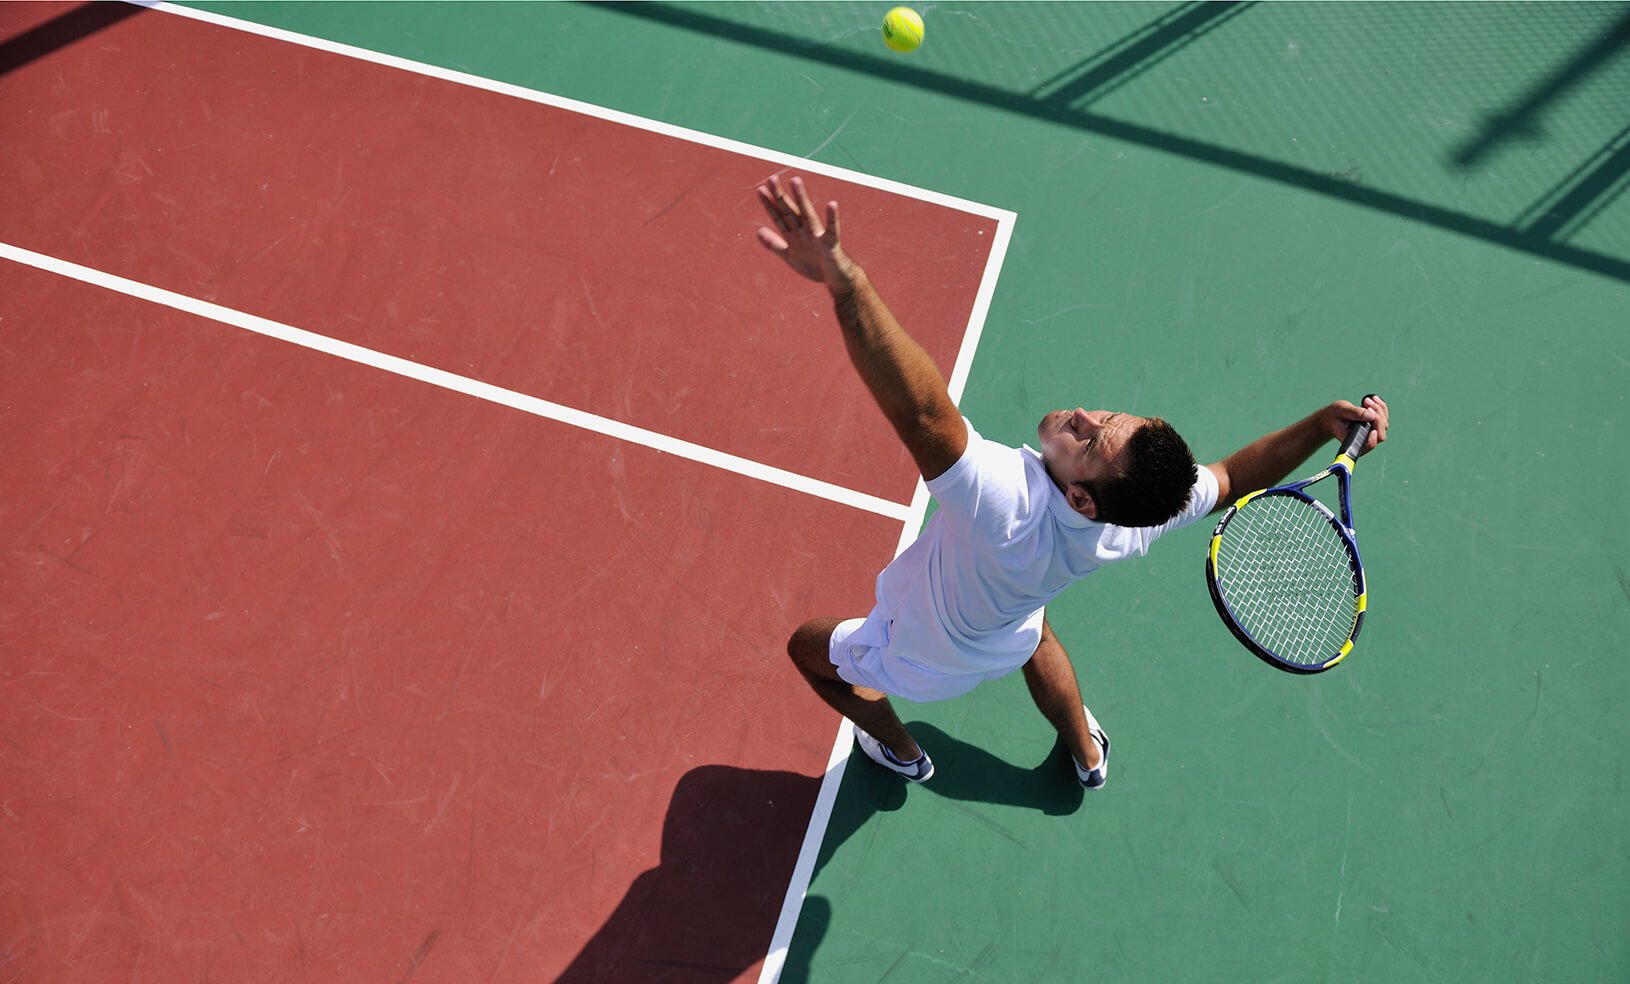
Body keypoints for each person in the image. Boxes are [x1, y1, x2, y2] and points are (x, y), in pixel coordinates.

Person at [757, 175, 1389, 788]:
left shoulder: (1005, 503)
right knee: (1035, 632)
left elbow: (924, 413)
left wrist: (847, 286)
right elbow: (1228, 477)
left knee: (807, 651)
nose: (1084, 416)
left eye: (1089, 440)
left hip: (921, 654)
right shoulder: (1141, 511)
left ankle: (899, 749)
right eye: (1108, 417)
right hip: (1009, 629)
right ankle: (1087, 753)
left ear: (1082, 496)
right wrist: (1316, 426)